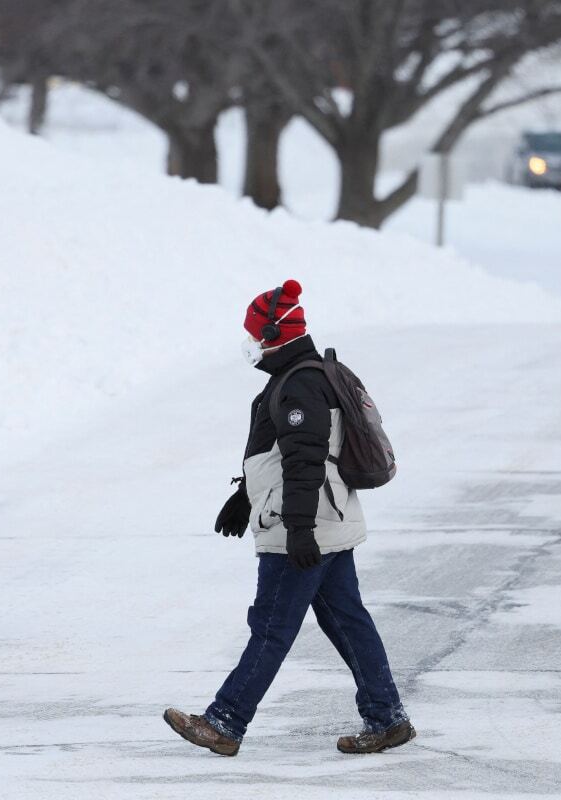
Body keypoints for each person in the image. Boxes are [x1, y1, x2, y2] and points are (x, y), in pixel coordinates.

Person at [164, 279, 414, 757]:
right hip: (326, 519)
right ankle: (386, 716)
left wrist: (299, 530)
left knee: (272, 624)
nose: (253, 348)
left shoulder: (300, 384)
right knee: (346, 620)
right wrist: (245, 494)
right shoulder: (308, 375)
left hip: (303, 525)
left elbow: (305, 461)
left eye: (257, 338)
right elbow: (285, 454)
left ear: (277, 335)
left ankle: (224, 722)